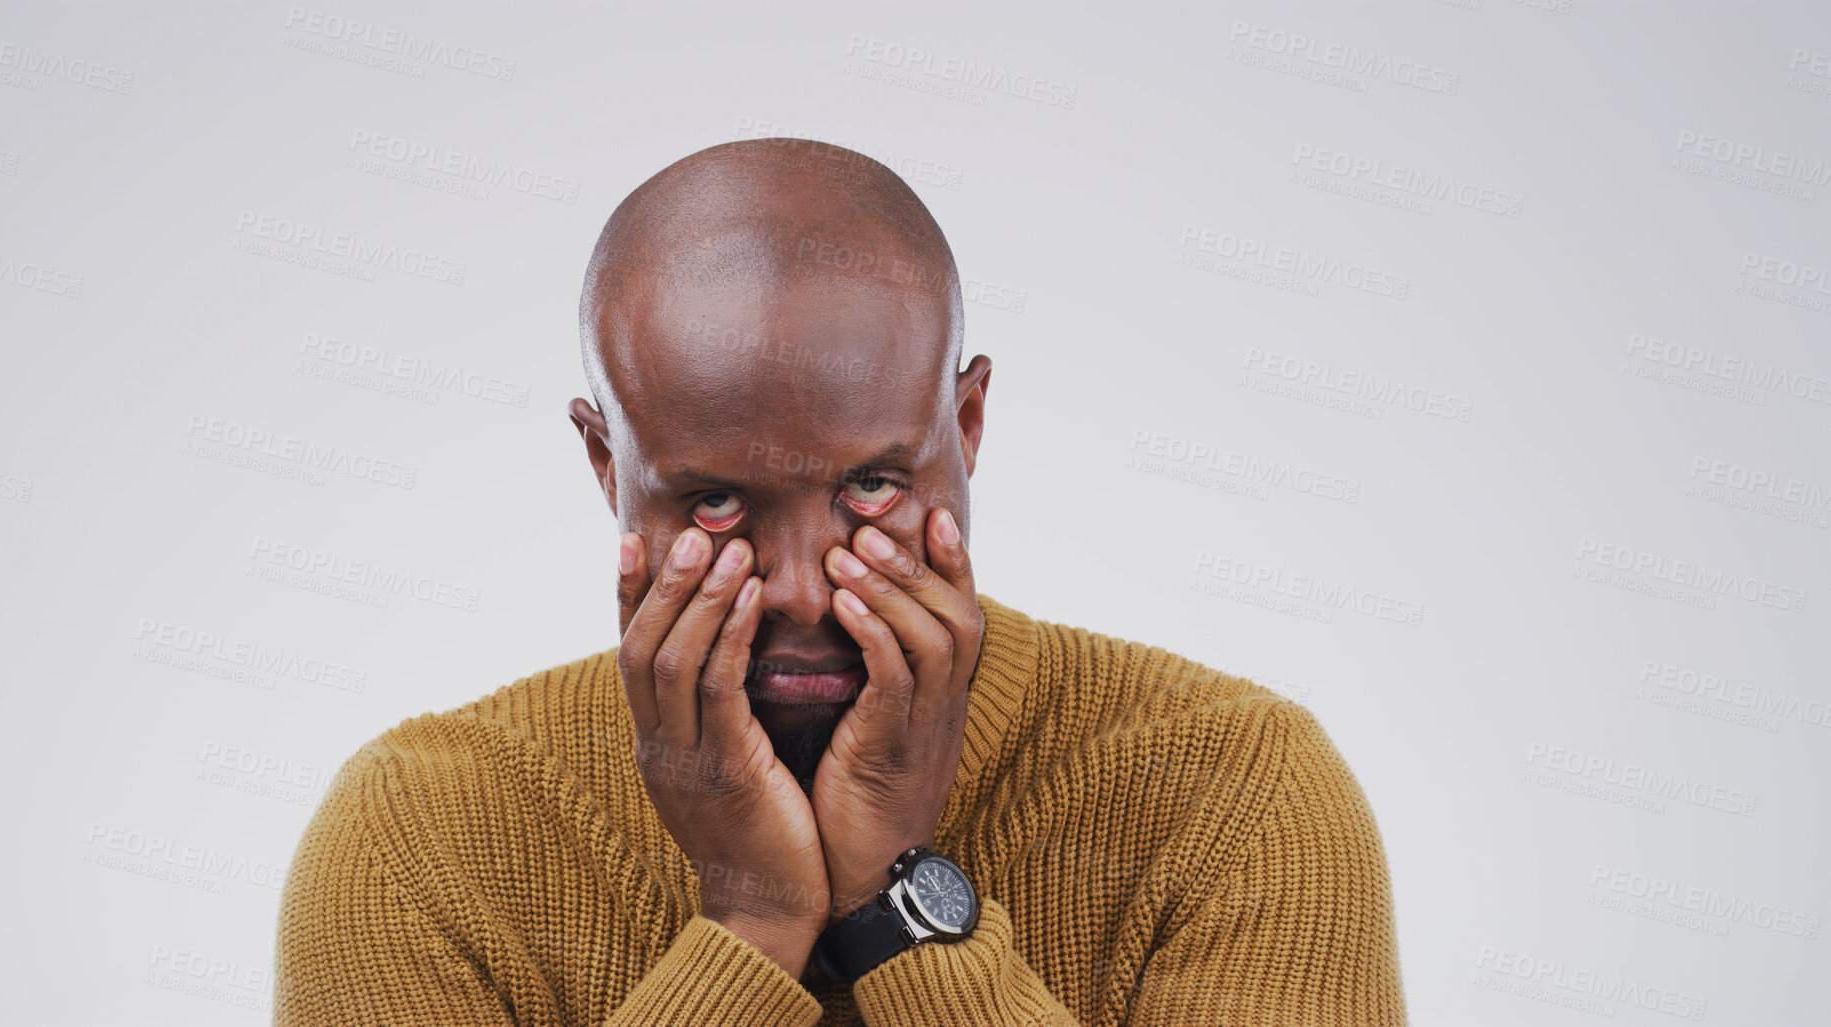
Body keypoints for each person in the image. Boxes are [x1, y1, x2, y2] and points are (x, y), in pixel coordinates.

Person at [273, 137, 1408, 1025]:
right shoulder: (417, 833)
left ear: (967, 424)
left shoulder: (1236, 791)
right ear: (606, 463)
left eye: (871, 485)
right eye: (714, 502)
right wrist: (749, 928)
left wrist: (898, 910)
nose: (804, 592)